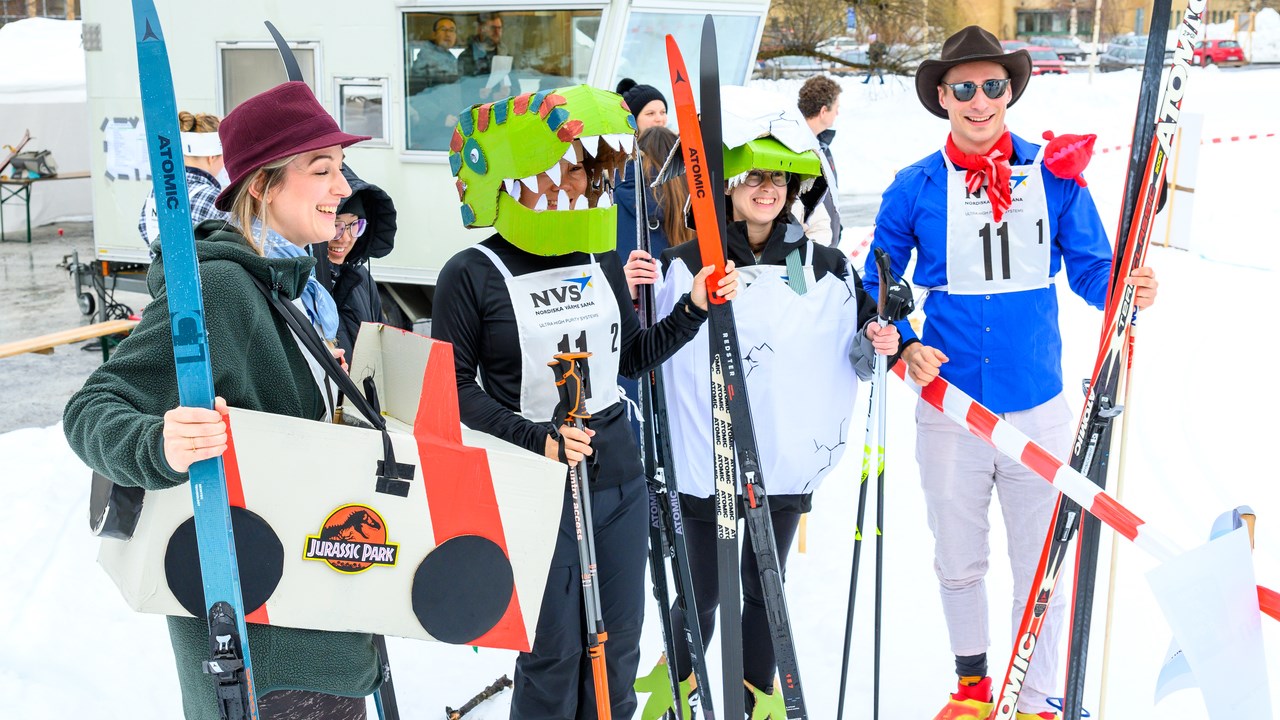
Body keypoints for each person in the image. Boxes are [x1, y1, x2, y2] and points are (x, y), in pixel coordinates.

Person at [860, 26, 1159, 720]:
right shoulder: (914, 187)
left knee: (1042, 564)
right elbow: (876, 280)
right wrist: (903, 341)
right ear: (942, 96)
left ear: (1010, 92)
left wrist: (1126, 287)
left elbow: (1090, 268)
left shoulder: (1052, 176)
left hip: (1037, 406)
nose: (979, 100)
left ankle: (1036, 700)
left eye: (992, 85)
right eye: (963, 87)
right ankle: (971, 690)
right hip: (951, 407)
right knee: (959, 558)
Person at [64, 80, 380, 719]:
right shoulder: (220, 287)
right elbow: (95, 407)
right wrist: (160, 442)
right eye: (322, 171)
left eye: (340, 170)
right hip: (268, 656)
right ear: (262, 186)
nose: (342, 188)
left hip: (317, 626)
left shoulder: (278, 286)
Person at [431, 84, 738, 719]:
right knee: (553, 651)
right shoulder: (471, 271)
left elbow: (628, 358)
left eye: (598, 177)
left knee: (617, 644)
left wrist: (693, 310)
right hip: (536, 474)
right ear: (524, 179)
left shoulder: (597, 254)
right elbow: (452, 391)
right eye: (578, 172)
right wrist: (534, 437)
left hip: (616, 467)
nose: (592, 188)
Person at [633, 86, 899, 717]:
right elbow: (645, 351)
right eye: (751, 176)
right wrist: (635, 288)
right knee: (700, 588)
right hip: (706, 460)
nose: (766, 189)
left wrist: (881, 333)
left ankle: (759, 701)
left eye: (777, 178)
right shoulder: (685, 262)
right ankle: (675, 689)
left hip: (780, 462)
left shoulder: (827, 266)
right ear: (726, 186)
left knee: (763, 584)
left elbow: (860, 344)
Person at [317, 164, 397, 358]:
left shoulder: (360, 279)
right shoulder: (304, 284)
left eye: (355, 225)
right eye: (336, 225)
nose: (345, 238)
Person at [138, 110, 230, 254]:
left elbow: (144, 230)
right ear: (211, 157)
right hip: (207, 275)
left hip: (158, 275)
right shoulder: (214, 199)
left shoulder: (157, 191)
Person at [793, 75, 843, 247]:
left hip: (824, 245)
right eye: (836, 108)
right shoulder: (796, 149)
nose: (837, 113)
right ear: (823, 111)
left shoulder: (821, 146)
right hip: (807, 250)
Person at [408, 16, 460, 95]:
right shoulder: (426, 56)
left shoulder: (451, 57)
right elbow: (416, 88)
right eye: (443, 29)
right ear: (434, 34)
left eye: (451, 30)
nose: (448, 34)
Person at [458, 12, 504, 79]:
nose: (497, 32)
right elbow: (462, 84)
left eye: (499, 28)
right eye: (493, 28)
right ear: (481, 29)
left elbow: (515, 85)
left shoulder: (504, 54)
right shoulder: (466, 56)